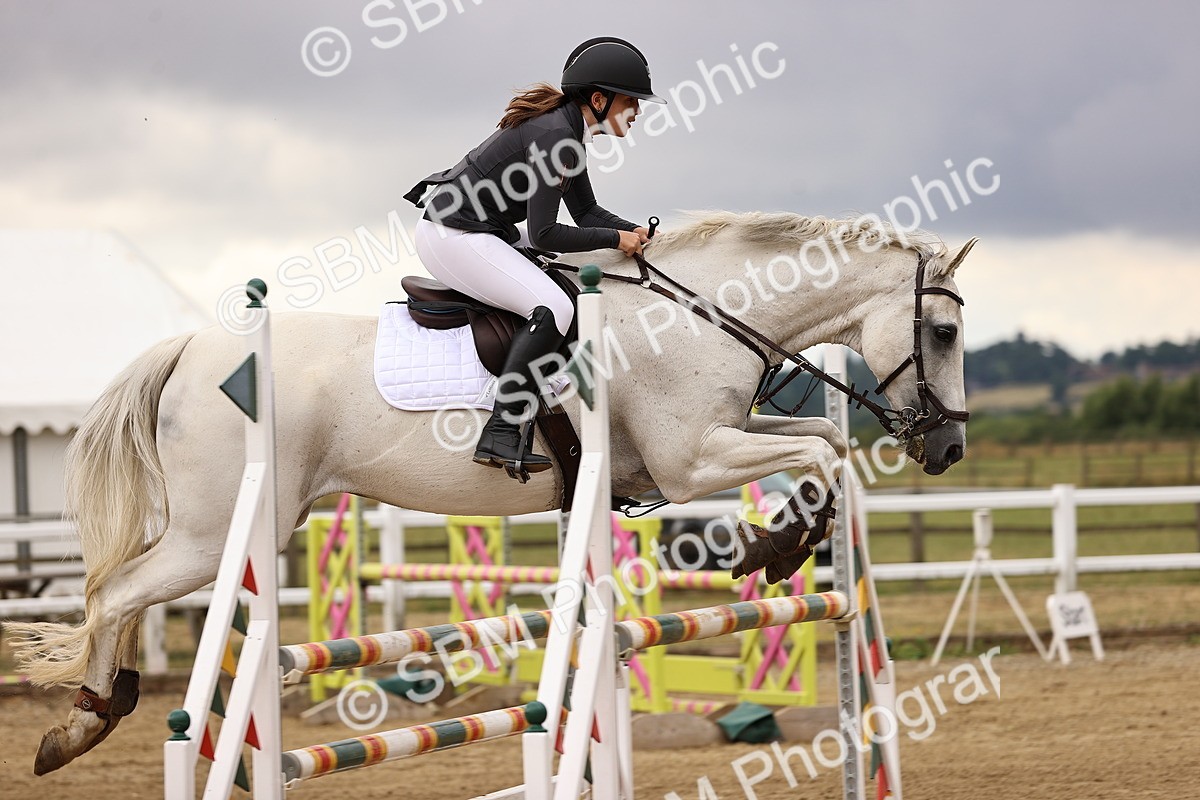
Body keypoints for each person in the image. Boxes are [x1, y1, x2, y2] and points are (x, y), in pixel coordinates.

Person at [405, 37, 666, 477]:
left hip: (482, 228)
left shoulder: (568, 132)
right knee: (553, 308)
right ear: (598, 100)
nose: (638, 111)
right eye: (631, 101)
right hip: (453, 235)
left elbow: (586, 212)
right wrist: (615, 238)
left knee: (569, 275)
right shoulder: (556, 137)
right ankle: (502, 430)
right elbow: (545, 234)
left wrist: (632, 232)